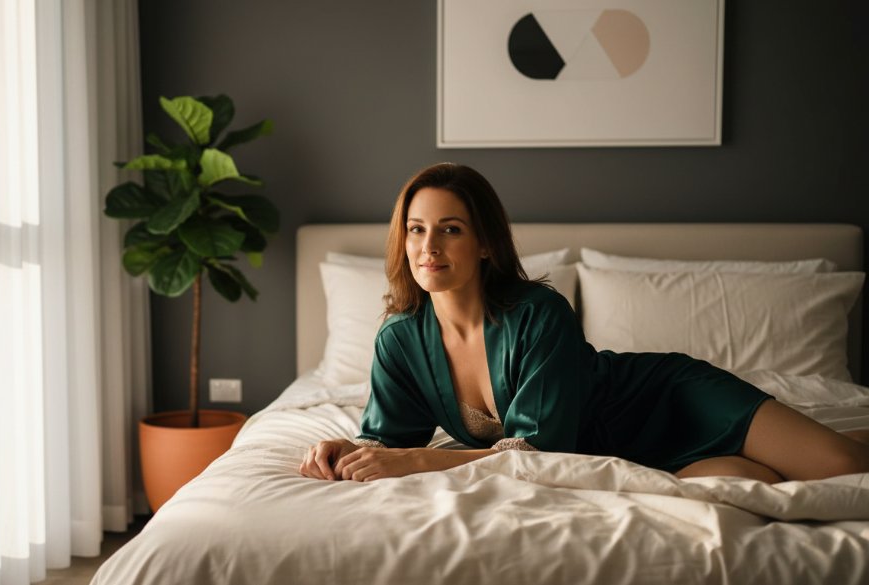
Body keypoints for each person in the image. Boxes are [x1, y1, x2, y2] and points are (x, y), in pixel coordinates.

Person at [299, 163, 869, 483]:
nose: (428, 246)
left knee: (843, 467)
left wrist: (419, 460)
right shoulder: (401, 338)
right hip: (632, 457)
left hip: (671, 402)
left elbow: (541, 449)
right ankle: (799, 442)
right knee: (755, 484)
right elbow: (389, 437)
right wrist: (341, 449)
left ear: (484, 244)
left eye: (450, 228)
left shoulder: (537, 314)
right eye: (417, 229)